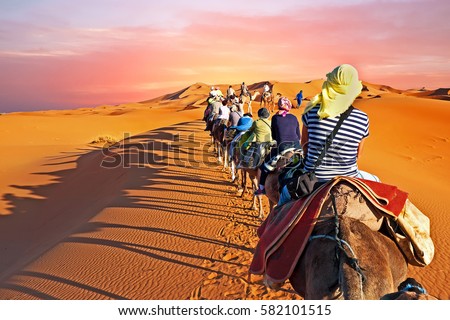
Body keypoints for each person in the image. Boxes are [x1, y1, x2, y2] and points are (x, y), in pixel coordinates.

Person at [278, 64, 379, 205]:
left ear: (330, 84)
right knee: (377, 182)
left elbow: (304, 146)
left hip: (314, 181)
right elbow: (358, 155)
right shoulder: (362, 118)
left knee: (283, 196)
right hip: (349, 179)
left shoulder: (311, 112)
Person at [254, 97, 301, 195]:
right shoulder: (294, 117)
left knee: (264, 167)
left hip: (282, 147)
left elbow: (274, 136)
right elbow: (298, 135)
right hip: (297, 147)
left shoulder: (275, 118)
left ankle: (262, 188)